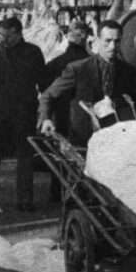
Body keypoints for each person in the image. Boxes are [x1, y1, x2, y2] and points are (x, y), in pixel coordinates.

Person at [0, 16, 47, 211]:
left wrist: (45, 112)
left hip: (24, 112)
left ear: (18, 33)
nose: (1, 40)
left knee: (25, 156)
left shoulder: (33, 53)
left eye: (6, 36)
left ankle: (25, 199)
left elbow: (44, 84)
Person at [38, 19, 136, 147]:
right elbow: (48, 96)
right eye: (108, 41)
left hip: (116, 142)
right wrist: (46, 119)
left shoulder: (128, 71)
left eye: (117, 41)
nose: (113, 46)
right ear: (97, 41)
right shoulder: (78, 69)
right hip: (84, 139)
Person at [43, 18, 90, 202]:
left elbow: (46, 88)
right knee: (83, 154)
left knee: (60, 152)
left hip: (61, 113)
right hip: (84, 115)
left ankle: (57, 191)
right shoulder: (90, 62)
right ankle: (81, 192)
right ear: (85, 37)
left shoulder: (56, 62)